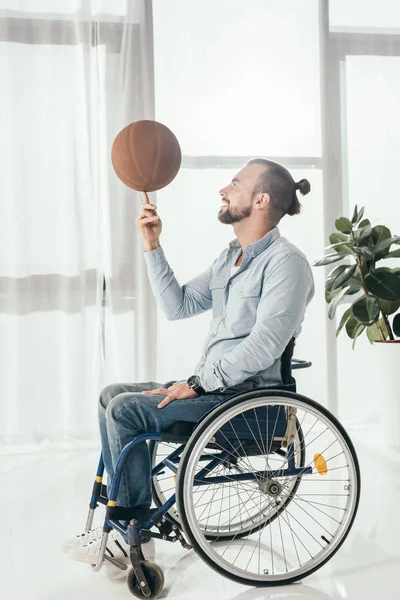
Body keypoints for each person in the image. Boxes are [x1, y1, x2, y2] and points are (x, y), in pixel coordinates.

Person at [65, 158, 315, 566]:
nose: (224, 190)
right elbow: (177, 305)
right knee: (113, 394)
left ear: (261, 199)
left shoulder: (287, 264)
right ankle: (133, 518)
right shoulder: (231, 257)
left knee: (127, 410)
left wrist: (197, 383)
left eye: (235, 184)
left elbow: (265, 346)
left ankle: (130, 525)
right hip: (217, 391)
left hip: (248, 400)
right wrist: (151, 243)